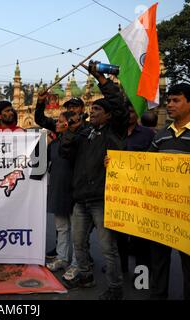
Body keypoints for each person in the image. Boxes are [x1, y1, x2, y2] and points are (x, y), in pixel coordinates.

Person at [59, 69, 128, 300]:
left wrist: (101, 79)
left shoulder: (113, 131)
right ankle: (86, 276)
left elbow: (117, 103)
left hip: (102, 199)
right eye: (92, 109)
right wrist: (70, 130)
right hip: (81, 200)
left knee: (108, 248)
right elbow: (65, 152)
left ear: (109, 116)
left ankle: (115, 287)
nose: (92, 112)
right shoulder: (86, 133)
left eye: (97, 109)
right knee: (79, 244)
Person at [148, 83, 190, 300]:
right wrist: (117, 165)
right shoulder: (161, 136)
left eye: (175, 100)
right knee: (158, 262)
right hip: (161, 213)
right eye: (168, 100)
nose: (169, 105)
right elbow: (144, 166)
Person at [35, 96, 80, 275]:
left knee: (78, 232)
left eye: (61, 121)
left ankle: (77, 263)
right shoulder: (54, 144)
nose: (57, 124)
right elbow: (42, 165)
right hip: (58, 191)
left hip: (76, 193)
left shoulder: (80, 141)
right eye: (58, 121)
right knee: (62, 228)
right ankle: (62, 258)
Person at [116, 103, 156, 274]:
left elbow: (155, 161)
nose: (128, 115)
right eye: (125, 112)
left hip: (141, 194)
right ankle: (122, 268)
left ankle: (142, 275)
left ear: (137, 114)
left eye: (131, 111)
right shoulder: (114, 134)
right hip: (118, 194)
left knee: (141, 239)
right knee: (119, 237)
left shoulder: (148, 134)